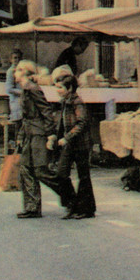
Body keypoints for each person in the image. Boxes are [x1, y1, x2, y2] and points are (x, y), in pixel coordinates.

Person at [16, 64, 71, 218]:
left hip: (38, 133)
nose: (14, 73)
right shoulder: (25, 89)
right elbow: (25, 117)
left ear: (24, 73)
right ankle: (32, 207)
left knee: (41, 171)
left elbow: (46, 111)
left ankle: (70, 196)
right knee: (25, 169)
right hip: (29, 133)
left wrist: (50, 135)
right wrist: (21, 136)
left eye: (17, 70)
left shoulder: (33, 89)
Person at [52, 64, 96, 219]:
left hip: (80, 145)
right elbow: (61, 123)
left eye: (60, 88)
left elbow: (82, 123)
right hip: (69, 145)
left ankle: (86, 209)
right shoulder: (64, 102)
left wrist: (67, 137)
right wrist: (56, 136)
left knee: (84, 176)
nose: (57, 90)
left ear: (69, 88)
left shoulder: (77, 102)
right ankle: (72, 204)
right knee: (61, 174)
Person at [5, 49, 25, 134]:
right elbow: (9, 89)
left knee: (23, 126)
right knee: (18, 125)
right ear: (11, 59)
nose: (17, 60)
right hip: (15, 101)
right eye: (15, 58)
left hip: (23, 101)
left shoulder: (22, 70)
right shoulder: (10, 71)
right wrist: (22, 92)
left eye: (19, 58)